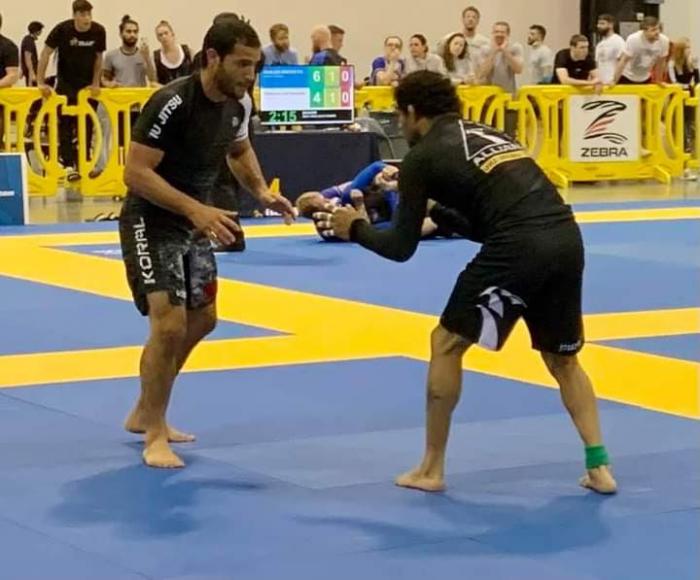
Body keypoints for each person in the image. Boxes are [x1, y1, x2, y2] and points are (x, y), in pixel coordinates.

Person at [320, 71, 617, 495]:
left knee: (445, 342)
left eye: (400, 116)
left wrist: (354, 227)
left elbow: (400, 248)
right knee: (563, 359)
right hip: (566, 238)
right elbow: (484, 221)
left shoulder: (422, 157)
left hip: (518, 245)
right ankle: (599, 466)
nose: (401, 125)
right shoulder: (487, 134)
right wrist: (438, 211)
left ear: (412, 112)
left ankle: (430, 468)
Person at [118, 19, 295, 469]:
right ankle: (155, 433)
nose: (249, 75)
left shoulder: (239, 104)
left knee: (203, 319)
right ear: (213, 57)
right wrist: (195, 209)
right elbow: (135, 173)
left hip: (195, 220)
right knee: (169, 325)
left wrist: (261, 191)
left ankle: (144, 410)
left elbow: (238, 150)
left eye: (254, 66)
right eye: (241, 64)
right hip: (151, 219)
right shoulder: (172, 102)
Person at [298, 161, 459, 241]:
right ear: (316, 213)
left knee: (353, 193)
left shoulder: (344, 194)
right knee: (398, 230)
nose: (329, 201)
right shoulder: (327, 227)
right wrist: (360, 205)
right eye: (324, 203)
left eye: (325, 198)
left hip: (396, 200)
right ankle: (445, 223)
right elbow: (363, 231)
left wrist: (387, 172)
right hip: (390, 221)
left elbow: (375, 167)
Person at [37, 0, 106, 179]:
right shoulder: (62, 30)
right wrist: (40, 81)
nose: (87, 18)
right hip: (66, 84)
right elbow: (45, 54)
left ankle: (85, 161)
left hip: (87, 87)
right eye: (83, 15)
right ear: (74, 15)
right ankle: (67, 163)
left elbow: (99, 58)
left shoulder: (99, 31)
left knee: (88, 124)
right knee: (65, 124)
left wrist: (96, 83)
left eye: (89, 14)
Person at [613, 16, 669, 85]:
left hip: (645, 77)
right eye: (653, 30)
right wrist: (614, 81)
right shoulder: (633, 39)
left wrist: (659, 80)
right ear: (644, 31)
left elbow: (660, 63)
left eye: (658, 29)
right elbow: (623, 61)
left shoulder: (664, 41)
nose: (657, 32)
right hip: (627, 76)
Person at [153, 20, 193, 85]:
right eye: (160, 35)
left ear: (172, 34)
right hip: (167, 90)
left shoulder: (187, 51)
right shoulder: (156, 57)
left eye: (166, 33)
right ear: (158, 38)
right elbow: (154, 81)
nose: (164, 36)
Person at [594, 14, 625, 85]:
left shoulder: (618, 41)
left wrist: (615, 80)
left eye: (602, 23)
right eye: (598, 24)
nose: (599, 26)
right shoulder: (600, 44)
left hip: (613, 83)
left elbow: (622, 62)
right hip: (601, 83)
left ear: (611, 25)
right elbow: (597, 65)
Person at [21, 20, 44, 87]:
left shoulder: (27, 39)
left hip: (30, 71)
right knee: (32, 89)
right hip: (31, 72)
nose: (41, 32)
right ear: (37, 31)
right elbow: (27, 58)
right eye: (40, 30)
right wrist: (32, 73)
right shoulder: (29, 41)